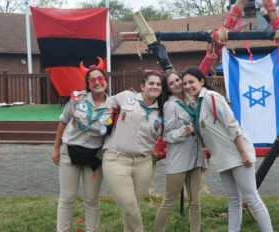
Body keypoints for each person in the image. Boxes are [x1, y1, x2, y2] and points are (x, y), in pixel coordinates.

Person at [181, 67, 273, 232]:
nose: (188, 86)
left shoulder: (211, 97)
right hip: (222, 159)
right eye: (185, 83)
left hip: (237, 155)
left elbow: (232, 125)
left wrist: (244, 153)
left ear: (201, 82)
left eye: (191, 82)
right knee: (233, 201)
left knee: (252, 199)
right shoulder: (196, 104)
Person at [52, 63, 112, 232]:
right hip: (70, 152)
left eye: (100, 79)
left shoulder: (114, 105)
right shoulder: (76, 100)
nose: (97, 82)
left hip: (94, 156)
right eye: (92, 80)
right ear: (88, 83)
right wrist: (56, 148)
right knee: (67, 197)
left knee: (92, 199)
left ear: (106, 82)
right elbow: (63, 121)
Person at [102, 70, 163, 232]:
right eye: (151, 83)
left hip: (143, 163)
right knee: (129, 206)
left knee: (133, 207)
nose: (154, 86)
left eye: (158, 84)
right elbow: (102, 103)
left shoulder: (162, 110)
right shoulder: (126, 97)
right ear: (142, 86)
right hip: (116, 159)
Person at [154, 70, 206, 232]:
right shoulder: (170, 106)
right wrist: (183, 132)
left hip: (195, 159)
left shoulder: (190, 103)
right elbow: (167, 135)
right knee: (169, 200)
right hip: (178, 162)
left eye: (178, 80)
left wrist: (203, 158)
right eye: (172, 83)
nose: (177, 84)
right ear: (167, 88)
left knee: (195, 201)